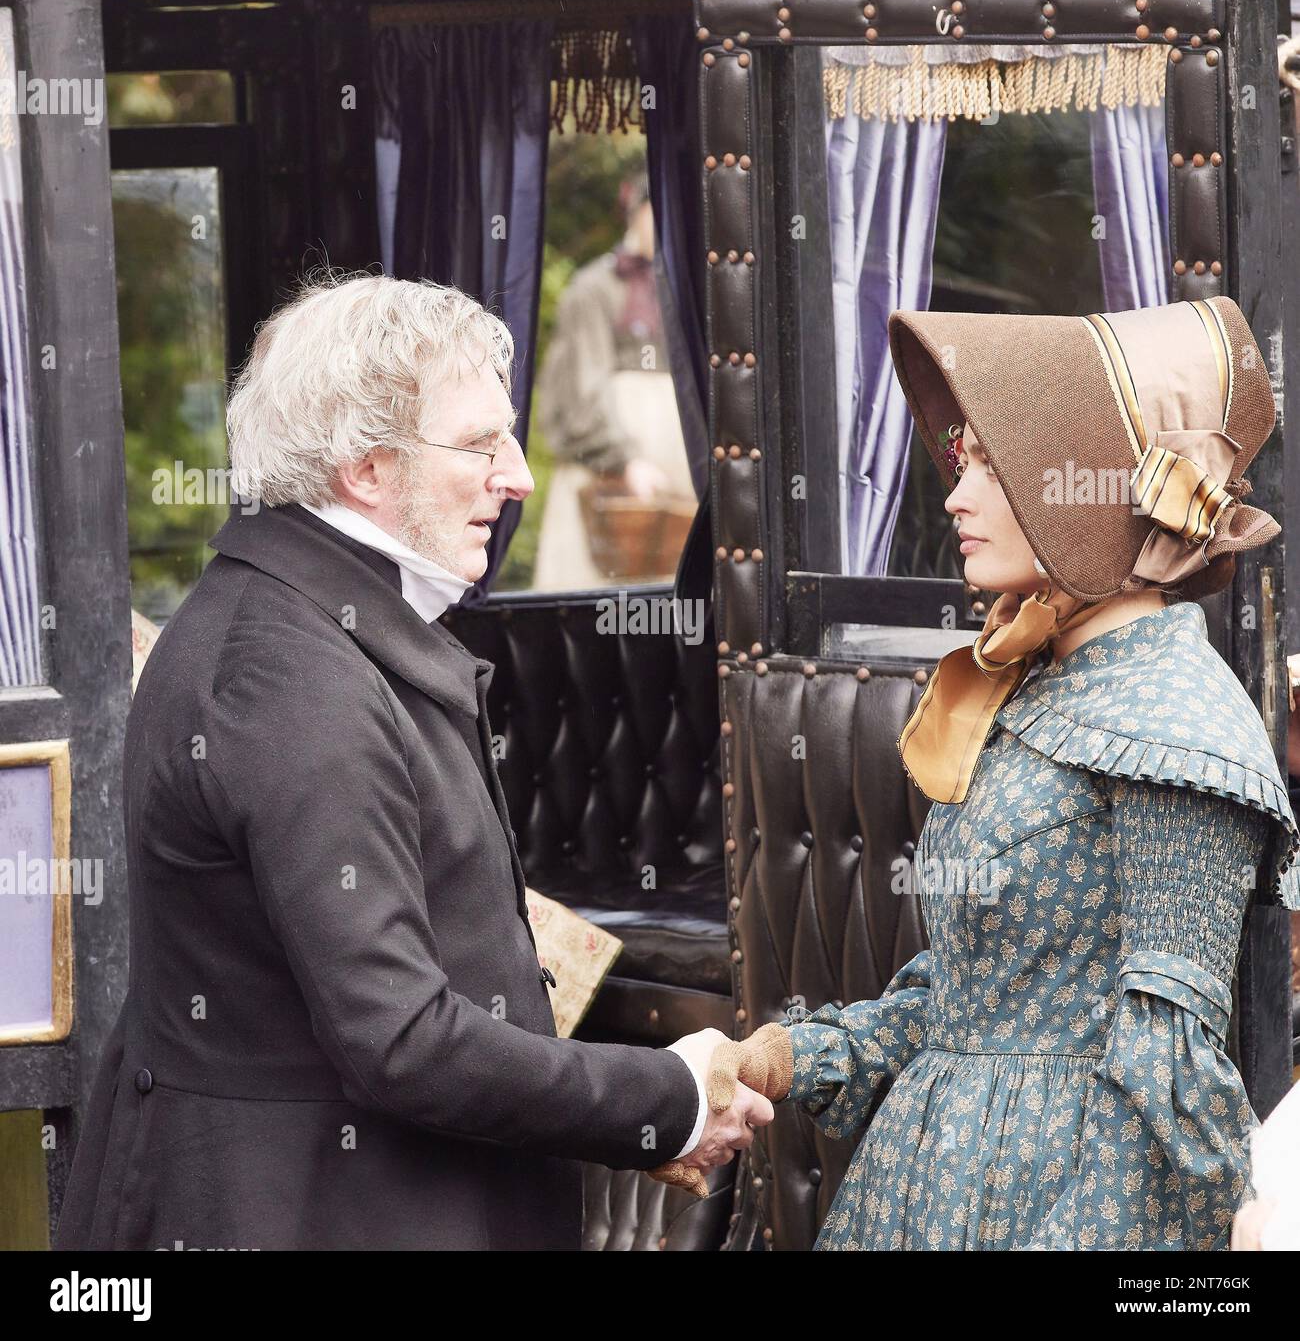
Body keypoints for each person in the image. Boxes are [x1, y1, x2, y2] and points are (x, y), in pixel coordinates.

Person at [55, 271, 772, 1252]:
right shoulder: (290, 676)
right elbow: (400, 1040)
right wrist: (669, 1097)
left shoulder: (294, 620)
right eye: (479, 444)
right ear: (365, 468)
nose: (517, 476)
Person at [658, 295, 1300, 1250]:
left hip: (1053, 1209)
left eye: (991, 468)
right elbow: (966, 1002)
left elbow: (1165, 1095)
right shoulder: (1035, 679)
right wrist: (785, 1058)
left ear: (1087, 491)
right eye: (962, 465)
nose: (954, 496)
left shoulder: (1180, 726)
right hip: (928, 1192)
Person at [531, 173, 694, 589]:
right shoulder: (593, 289)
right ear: (638, 212)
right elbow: (581, 388)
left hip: (677, 489)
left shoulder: (688, 289)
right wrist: (623, 460)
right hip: (606, 481)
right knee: (594, 595)